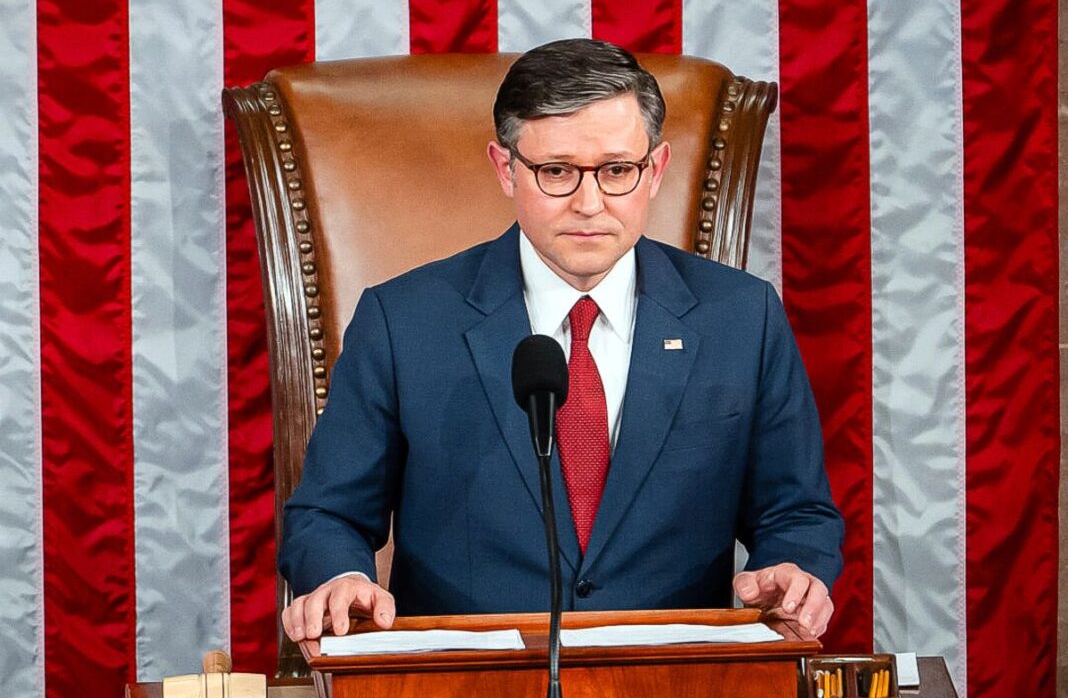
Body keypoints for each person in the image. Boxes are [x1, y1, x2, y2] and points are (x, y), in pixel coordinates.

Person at [279, 39, 844, 644]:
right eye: (556, 172)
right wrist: (340, 575)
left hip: (672, 677)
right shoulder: (403, 320)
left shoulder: (741, 317)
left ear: (654, 170)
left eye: (617, 170)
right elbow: (327, 513)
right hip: (465, 680)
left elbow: (797, 512)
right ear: (505, 168)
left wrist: (795, 568)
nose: (589, 203)